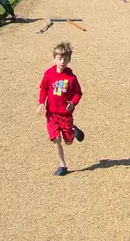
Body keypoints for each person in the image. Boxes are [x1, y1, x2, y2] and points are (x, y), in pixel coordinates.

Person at [38, 41, 85, 176]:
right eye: (59, 59)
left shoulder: (71, 78)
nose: (62, 62)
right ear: (54, 59)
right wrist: (41, 102)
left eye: (65, 59)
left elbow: (78, 93)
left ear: (69, 60)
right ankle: (62, 165)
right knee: (56, 139)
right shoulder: (48, 74)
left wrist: (73, 103)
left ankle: (73, 130)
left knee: (68, 142)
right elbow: (44, 88)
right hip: (52, 114)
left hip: (65, 114)